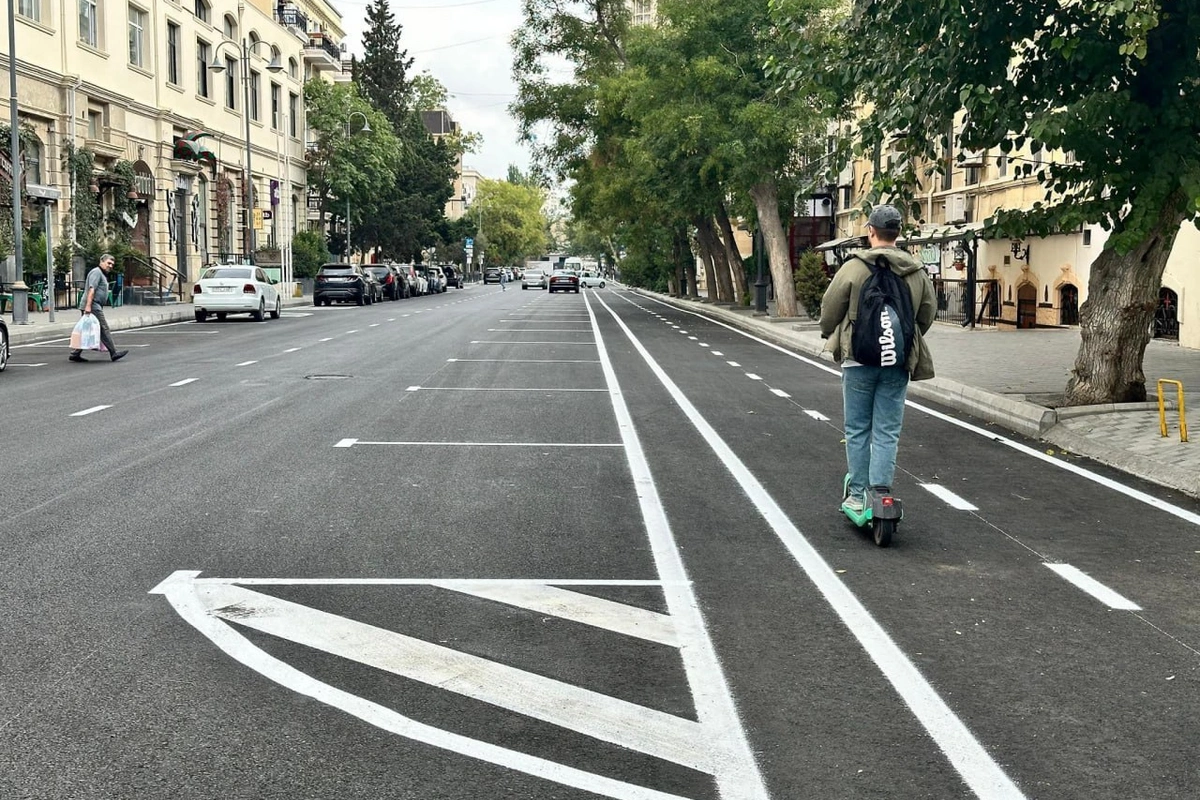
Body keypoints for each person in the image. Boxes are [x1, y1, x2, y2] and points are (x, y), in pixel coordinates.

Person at [819, 205, 935, 512]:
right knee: (887, 430)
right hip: (896, 361)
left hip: (858, 360)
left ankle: (857, 494)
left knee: (857, 429)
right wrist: (901, 338)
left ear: (871, 231)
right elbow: (927, 314)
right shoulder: (916, 270)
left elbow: (830, 308)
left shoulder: (854, 267)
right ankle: (880, 489)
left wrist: (829, 331)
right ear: (898, 233)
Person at [70, 252, 128, 363]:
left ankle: (75, 353)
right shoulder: (96, 272)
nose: (110, 266)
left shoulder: (101, 273)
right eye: (109, 263)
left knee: (86, 329)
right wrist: (88, 306)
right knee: (103, 328)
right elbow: (92, 289)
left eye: (112, 264)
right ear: (101, 262)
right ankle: (113, 352)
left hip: (94, 304)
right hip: (92, 305)